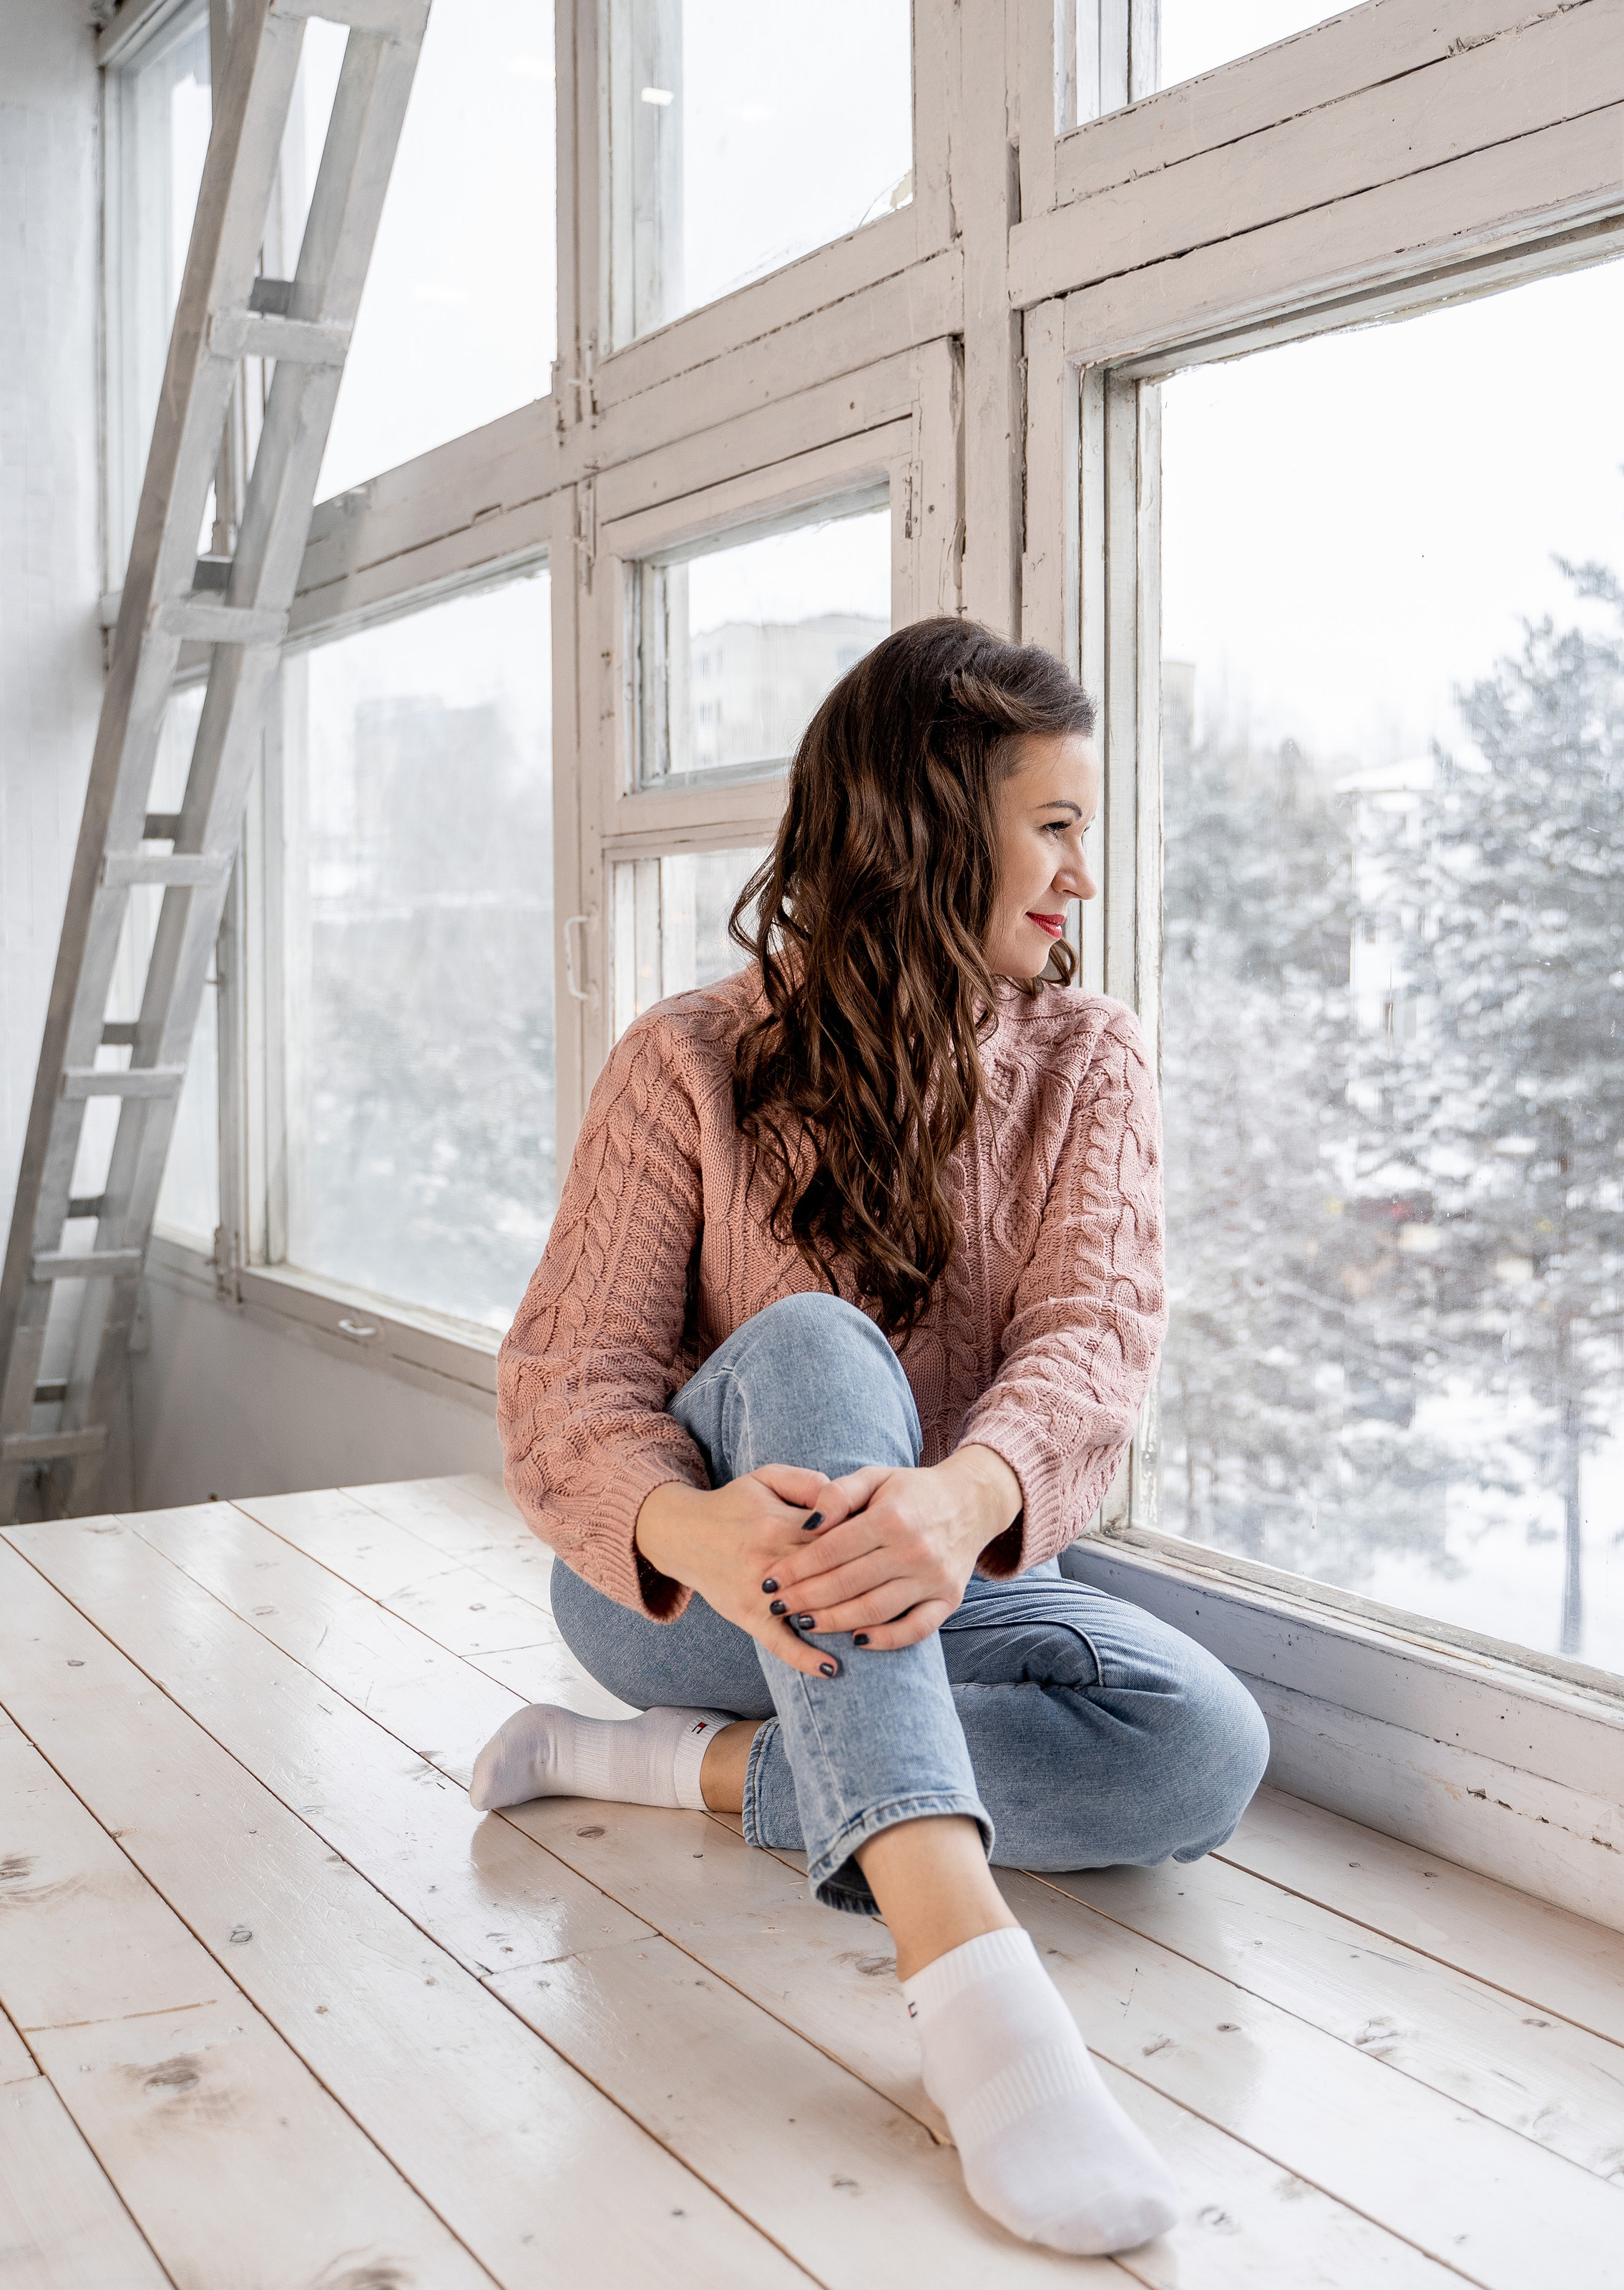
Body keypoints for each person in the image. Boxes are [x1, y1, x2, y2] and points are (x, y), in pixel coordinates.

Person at [472, 616, 1270, 2256]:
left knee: (1200, 1747)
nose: (1080, 878)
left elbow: (1089, 1349)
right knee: (817, 1341)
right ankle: (970, 1982)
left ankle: (675, 1775)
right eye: (1053, 827)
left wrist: (961, 1496)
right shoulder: (685, 1060)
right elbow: (568, 1387)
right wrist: (702, 1536)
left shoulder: (1086, 1060)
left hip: (934, 1583)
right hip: (688, 1595)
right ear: (926, 829)